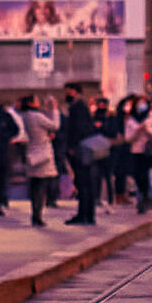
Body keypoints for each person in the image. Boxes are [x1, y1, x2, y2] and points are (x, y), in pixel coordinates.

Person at [62, 87, 103, 227]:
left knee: (83, 182)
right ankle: (88, 215)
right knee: (86, 182)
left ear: (77, 92)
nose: (67, 95)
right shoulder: (83, 107)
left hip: (80, 150)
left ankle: (84, 214)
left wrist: (72, 146)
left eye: (69, 92)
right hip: (86, 149)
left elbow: (77, 129)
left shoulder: (77, 108)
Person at [18, 93, 58, 227]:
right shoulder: (36, 116)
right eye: (36, 100)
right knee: (41, 186)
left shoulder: (25, 116)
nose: (39, 102)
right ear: (30, 103)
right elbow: (54, 125)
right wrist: (54, 109)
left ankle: (35, 213)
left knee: (34, 186)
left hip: (31, 154)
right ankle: (38, 215)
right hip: (42, 154)